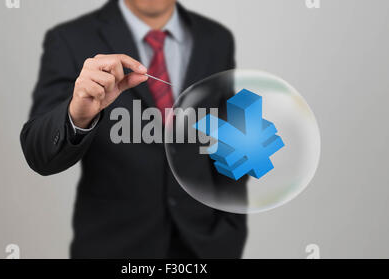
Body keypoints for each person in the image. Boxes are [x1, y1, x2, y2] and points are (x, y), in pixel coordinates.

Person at [20, 0, 247, 258]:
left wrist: (230, 229)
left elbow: (227, 140)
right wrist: (77, 114)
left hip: (201, 249)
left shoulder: (217, 38)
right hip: (114, 247)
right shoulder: (70, 39)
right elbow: (38, 153)